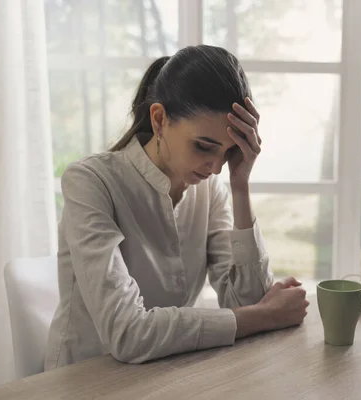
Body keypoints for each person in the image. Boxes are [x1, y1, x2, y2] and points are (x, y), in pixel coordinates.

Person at [44, 45, 310, 370]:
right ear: (159, 119)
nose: (215, 168)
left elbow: (249, 304)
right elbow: (127, 334)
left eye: (229, 152)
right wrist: (265, 315)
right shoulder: (90, 182)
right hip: (86, 381)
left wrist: (241, 185)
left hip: (168, 375)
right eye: (203, 146)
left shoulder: (211, 189)